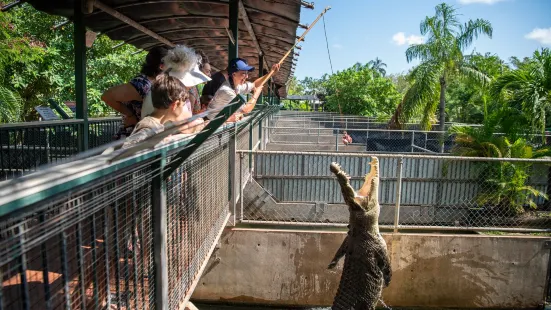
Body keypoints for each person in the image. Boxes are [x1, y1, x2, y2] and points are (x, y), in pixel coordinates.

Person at [101, 46, 168, 139]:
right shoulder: (141, 83)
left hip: (146, 135)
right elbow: (107, 96)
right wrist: (130, 115)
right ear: (161, 66)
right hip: (133, 136)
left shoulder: (157, 82)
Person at [141, 45, 211, 133]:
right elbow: (181, 128)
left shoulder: (168, 92)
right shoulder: (168, 94)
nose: (191, 86)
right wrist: (198, 125)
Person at [122, 73, 194, 149]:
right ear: (175, 105)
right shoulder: (148, 128)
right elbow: (126, 153)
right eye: (183, 105)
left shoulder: (157, 125)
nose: (184, 108)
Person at [205, 58, 279, 122]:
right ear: (234, 74)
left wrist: (270, 73)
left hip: (217, 125)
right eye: (243, 73)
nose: (246, 76)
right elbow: (245, 110)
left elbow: (254, 85)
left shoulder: (235, 86)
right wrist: (256, 95)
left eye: (247, 73)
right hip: (210, 128)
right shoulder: (226, 90)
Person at [191, 49, 211, 114]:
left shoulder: (194, 87)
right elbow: (188, 118)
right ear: (198, 70)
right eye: (207, 71)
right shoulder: (191, 90)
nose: (210, 75)